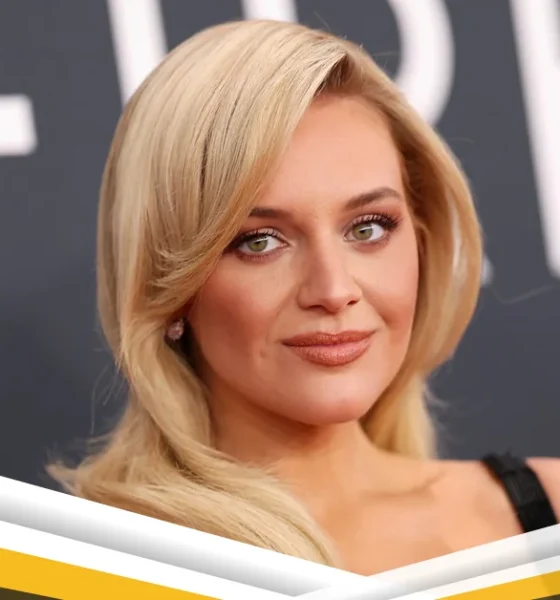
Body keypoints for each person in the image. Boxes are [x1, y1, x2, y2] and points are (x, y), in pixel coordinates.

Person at [48, 19, 560, 575]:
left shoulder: (546, 508)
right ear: (170, 287)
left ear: (421, 237)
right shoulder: (99, 570)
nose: (334, 291)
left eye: (367, 228)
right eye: (260, 242)